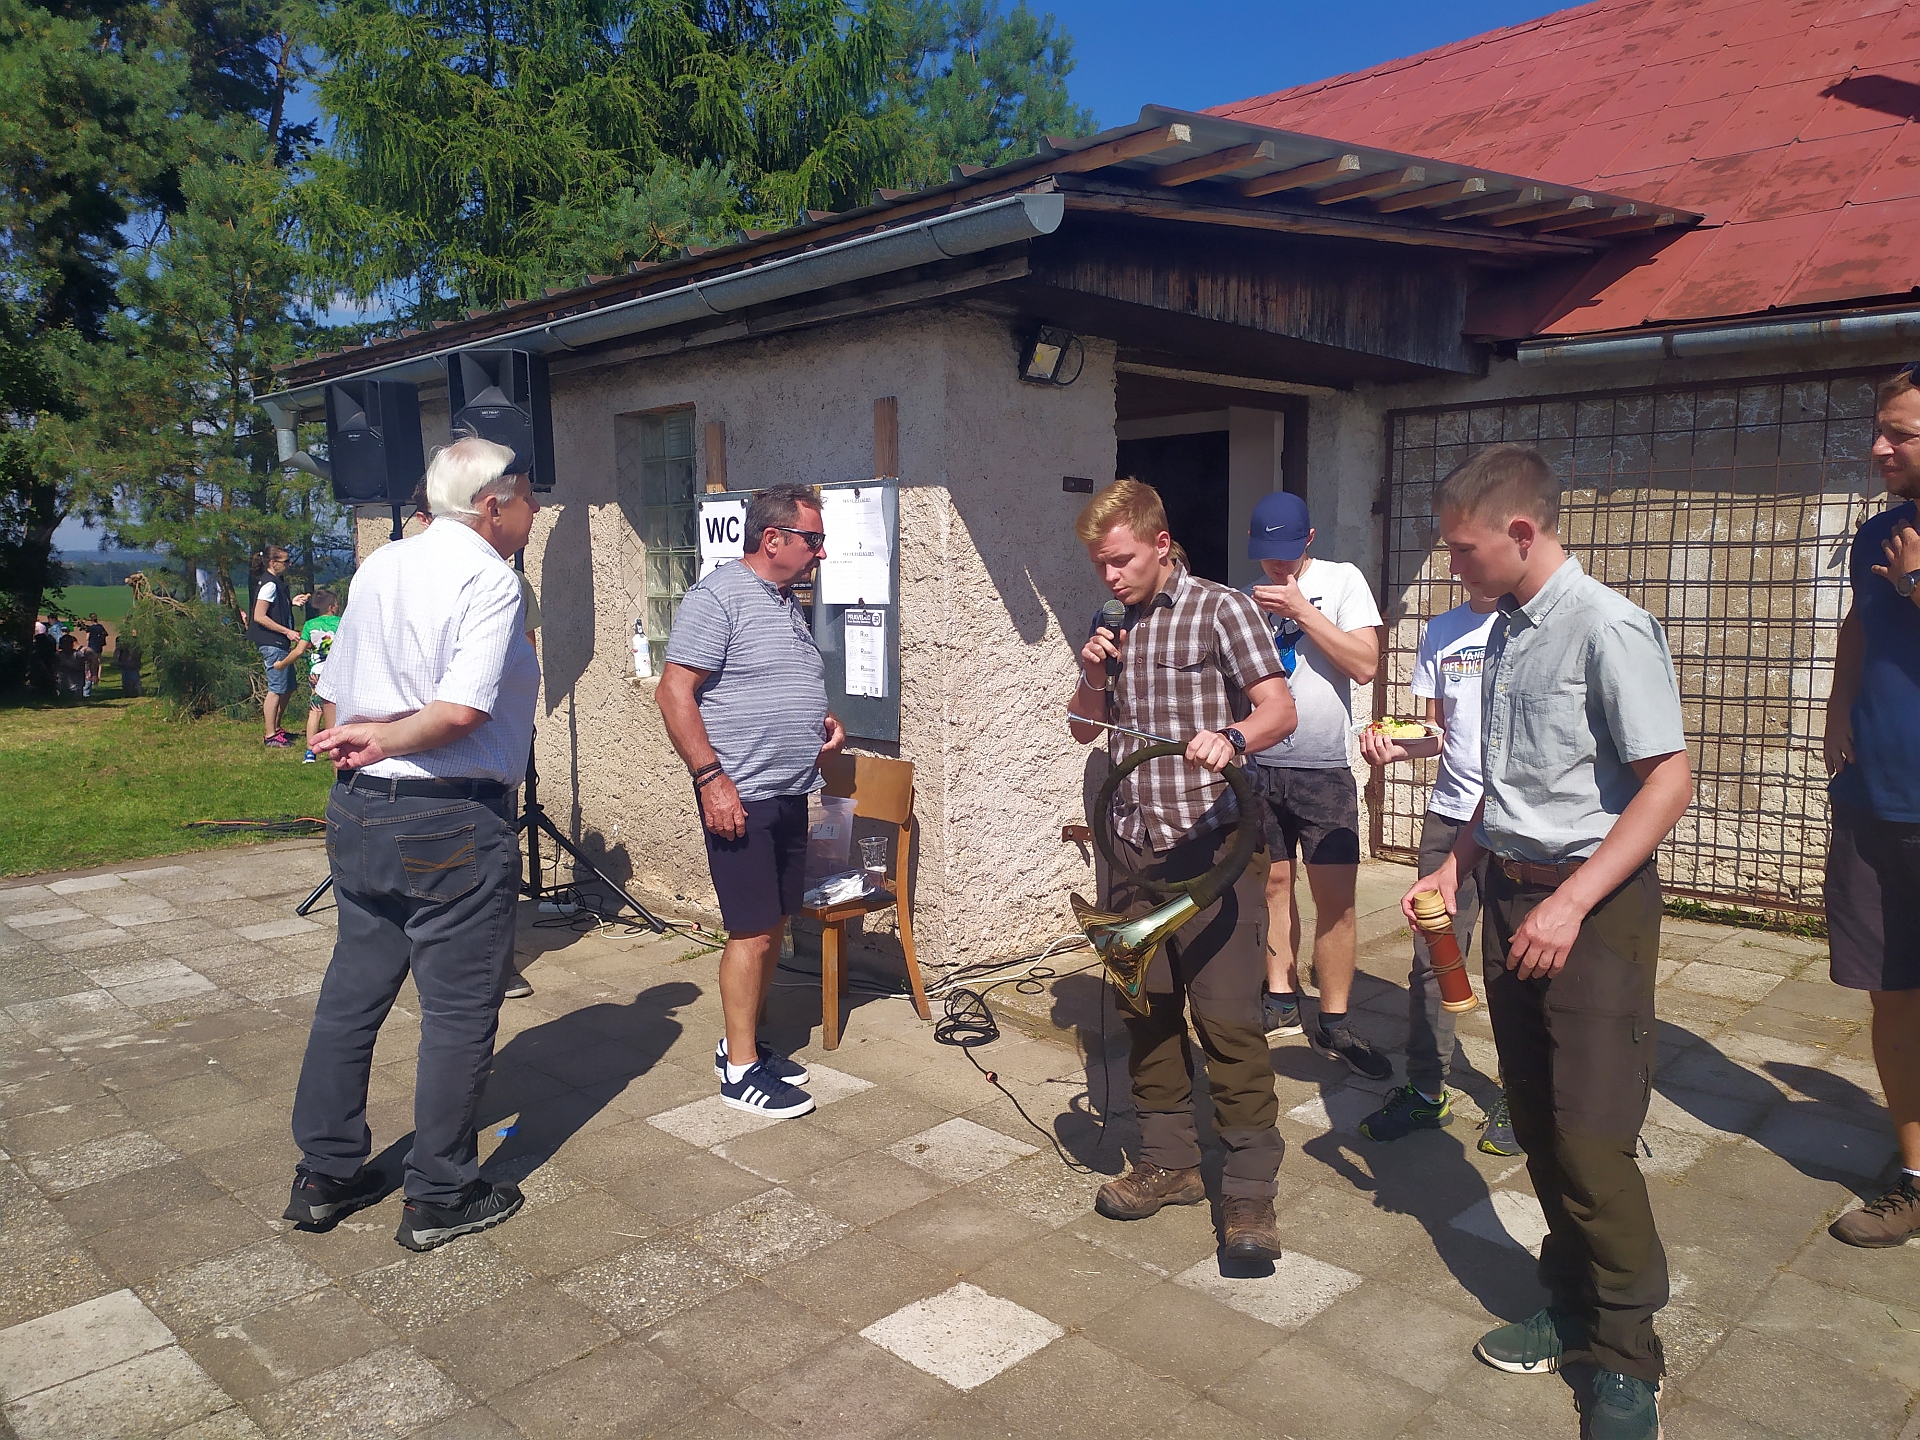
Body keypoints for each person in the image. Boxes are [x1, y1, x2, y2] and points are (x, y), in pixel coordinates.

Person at [1404, 445, 1691, 1440]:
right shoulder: (1506, 632)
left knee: (1592, 1137)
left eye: (1463, 549)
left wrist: (1570, 904)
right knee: (1533, 1119)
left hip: (1590, 915)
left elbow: (1668, 782)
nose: (1454, 568)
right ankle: (1569, 1305)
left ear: (1521, 532)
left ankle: (1628, 1355)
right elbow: (1508, 778)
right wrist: (1457, 863)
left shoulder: (1609, 627)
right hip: (1512, 899)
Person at [285, 436, 542, 1251]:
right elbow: (462, 709)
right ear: (493, 505)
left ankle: (325, 1174)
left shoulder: (382, 564)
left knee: (352, 992)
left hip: (360, 809)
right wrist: (388, 739)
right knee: (459, 1010)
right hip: (448, 816)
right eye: (529, 495)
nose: (537, 509)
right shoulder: (490, 579)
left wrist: (360, 745)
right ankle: (439, 1193)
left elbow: (334, 689)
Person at [1067, 478, 1300, 1261]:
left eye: (1121, 561)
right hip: (1135, 852)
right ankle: (1169, 1165)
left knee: (1229, 1021)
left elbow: (1279, 710)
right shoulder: (1110, 623)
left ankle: (1250, 1193)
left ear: (1161, 545)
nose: (1111, 577)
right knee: (1148, 1011)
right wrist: (1092, 670)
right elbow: (1082, 728)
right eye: (1100, 565)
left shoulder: (1221, 609)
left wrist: (1232, 738)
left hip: (1213, 848)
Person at [655, 483, 846, 1119]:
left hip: (790, 789)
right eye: (814, 540)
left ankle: (745, 1047)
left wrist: (821, 724)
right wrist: (711, 778)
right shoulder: (719, 597)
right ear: (773, 539)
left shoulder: (785, 602)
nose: (822, 552)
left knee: (775, 924)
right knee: (752, 931)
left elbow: (771, 684)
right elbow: (674, 692)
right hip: (741, 794)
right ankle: (740, 1072)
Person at [1355, 576, 1519, 1153]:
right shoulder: (1443, 630)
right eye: (1457, 553)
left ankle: (1522, 1094)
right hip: (1450, 816)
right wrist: (1396, 747)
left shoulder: (1529, 625)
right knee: (1433, 958)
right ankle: (1427, 1090)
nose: (1466, 566)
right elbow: (1437, 734)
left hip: (1515, 821)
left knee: (1514, 963)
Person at [1239, 491, 1389, 1081]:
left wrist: (1302, 610)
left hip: (1323, 769)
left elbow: (1365, 664)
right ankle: (1280, 997)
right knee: (1273, 885)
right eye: (1264, 553)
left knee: (1335, 898)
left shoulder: (1342, 580)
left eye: (1285, 551)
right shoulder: (1245, 597)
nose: (1275, 564)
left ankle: (1335, 1017)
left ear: (1309, 539)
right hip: (1260, 765)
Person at [1824, 363, 1920, 1249]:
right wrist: (1837, 707)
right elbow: (1860, 621)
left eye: (1902, 434)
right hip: (1875, 801)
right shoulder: (1876, 536)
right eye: (1880, 429)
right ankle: (1916, 1177)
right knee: (1892, 994)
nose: (1879, 447)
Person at [412, 480, 537, 1000]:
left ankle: (498, 964)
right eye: (427, 519)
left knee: (483, 890)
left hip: (477, 767)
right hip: (421, 774)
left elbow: (523, 659)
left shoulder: (505, 582)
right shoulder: (396, 574)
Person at [248, 545, 305, 748]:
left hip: (278, 642)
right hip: (272, 643)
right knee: (276, 688)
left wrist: (290, 603)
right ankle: (270, 734)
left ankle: (277, 728)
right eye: (285, 561)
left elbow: (273, 608)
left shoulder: (274, 583)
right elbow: (259, 616)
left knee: (287, 686)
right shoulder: (269, 585)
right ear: (273, 563)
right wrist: (286, 631)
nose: (289, 564)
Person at [54, 634, 87, 698]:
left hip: (76, 684)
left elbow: (81, 668)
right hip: (62, 684)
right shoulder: (58, 655)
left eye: (67, 643)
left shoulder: (78, 655)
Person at [113, 628, 143, 698]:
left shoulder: (120, 639)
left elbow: (117, 651)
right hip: (133, 662)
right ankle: (136, 693)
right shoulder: (136, 640)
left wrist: (115, 660)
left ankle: (128, 693)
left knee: (126, 679)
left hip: (125, 661)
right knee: (134, 679)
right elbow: (139, 651)